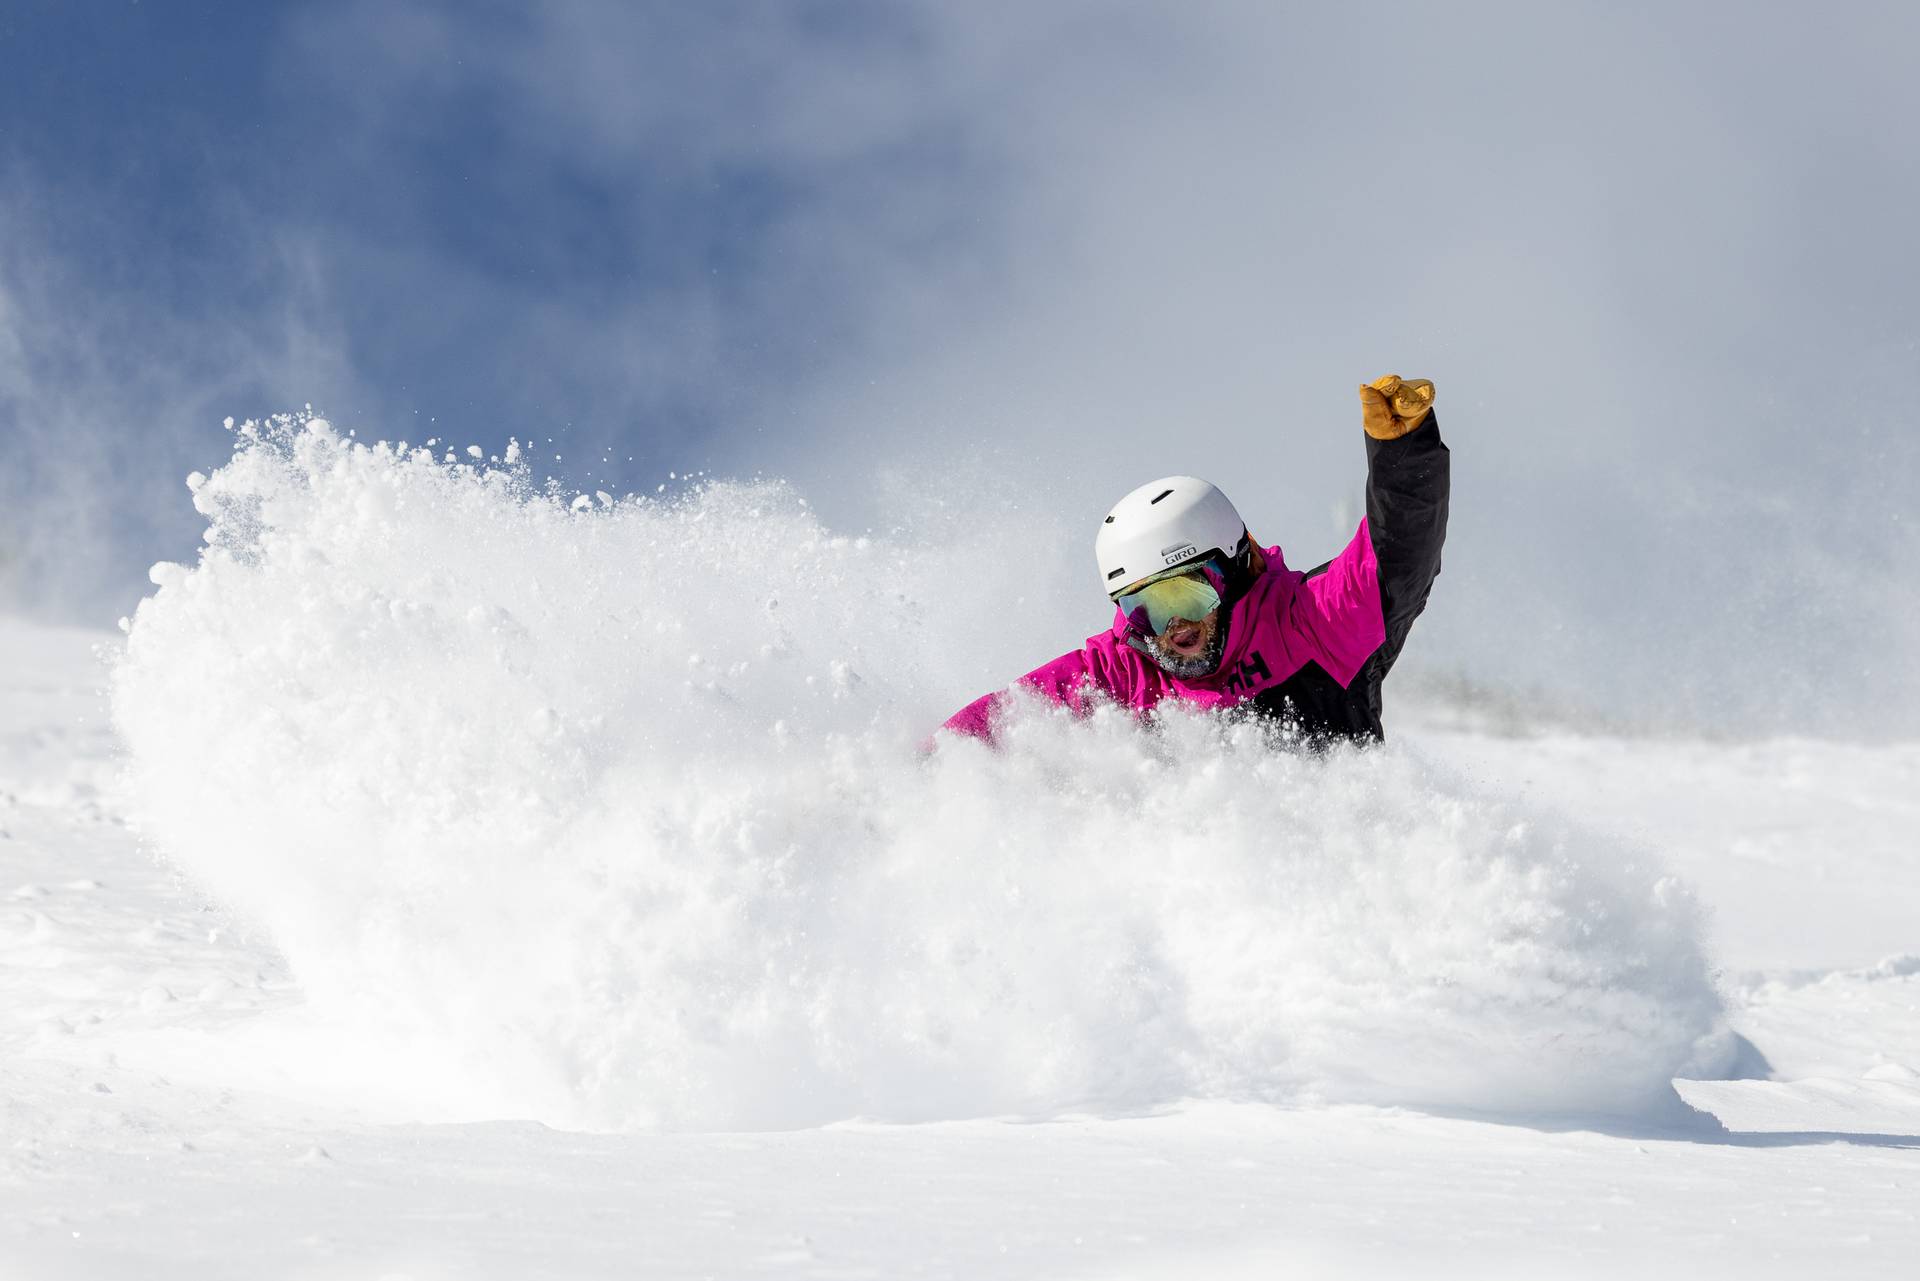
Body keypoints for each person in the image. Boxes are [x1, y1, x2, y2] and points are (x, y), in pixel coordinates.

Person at [939, 374, 1449, 744]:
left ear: (1232, 567)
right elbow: (1007, 718)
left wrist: (1404, 457)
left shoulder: (1311, 624)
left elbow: (1396, 560)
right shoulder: (1127, 675)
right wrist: (908, 777)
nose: (1172, 624)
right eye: (1145, 607)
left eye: (1185, 590)